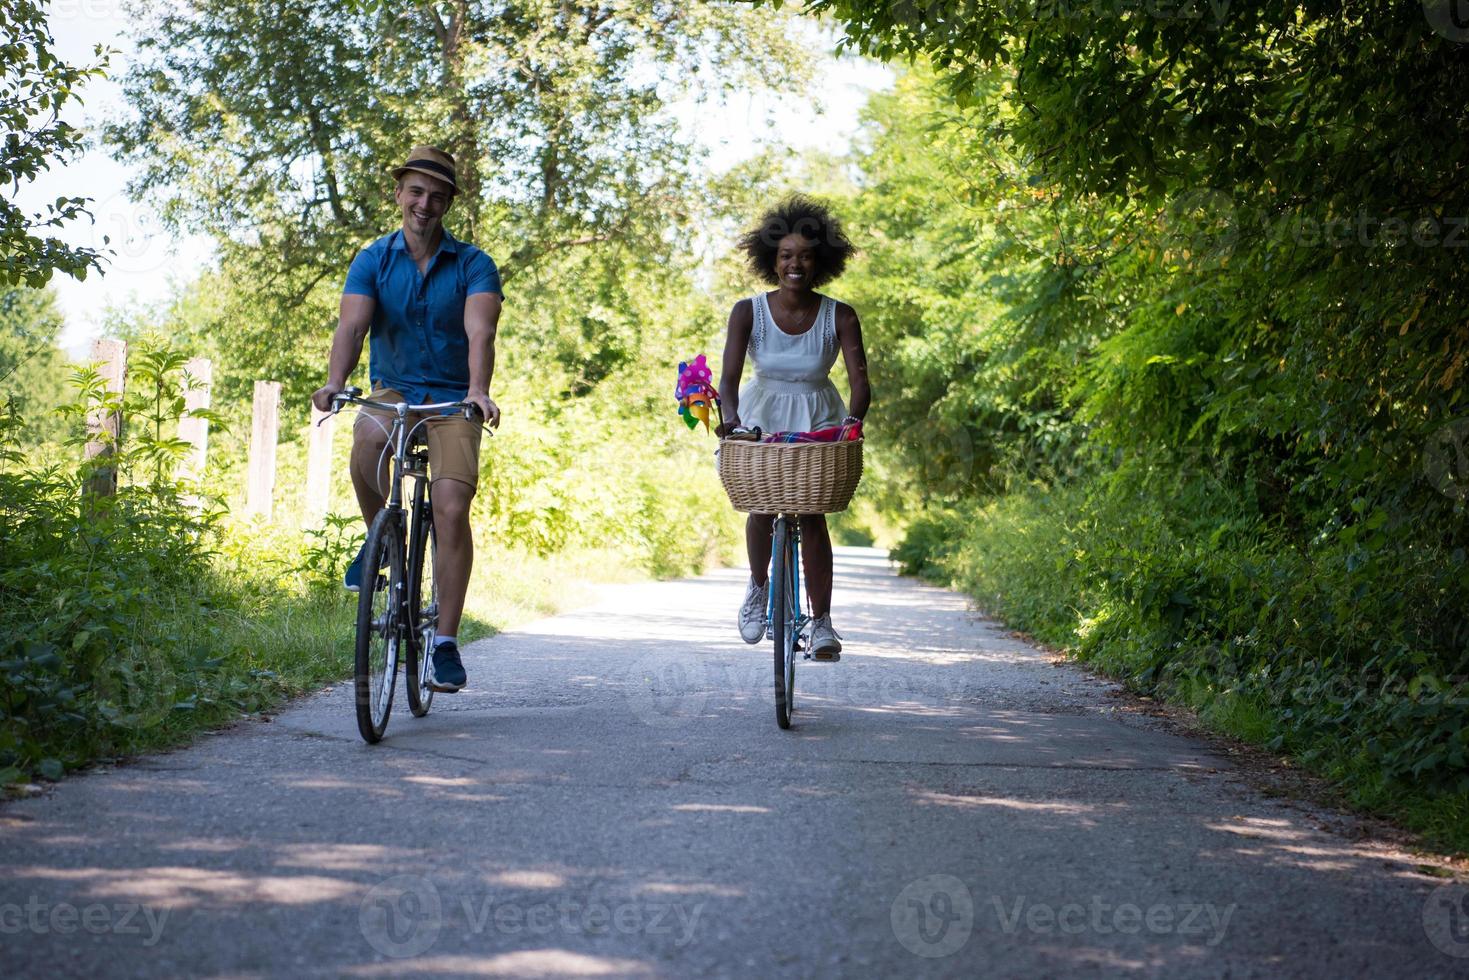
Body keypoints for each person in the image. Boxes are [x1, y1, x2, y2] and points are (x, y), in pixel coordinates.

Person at [311, 145, 502, 693]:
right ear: (398, 194)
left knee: (450, 505)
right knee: (367, 441)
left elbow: (479, 332)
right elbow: (351, 329)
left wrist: (478, 391)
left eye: (437, 195)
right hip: (393, 390)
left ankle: (444, 641)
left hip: (451, 398)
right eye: (416, 191)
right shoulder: (372, 259)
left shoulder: (473, 264)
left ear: (448, 204)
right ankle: (383, 542)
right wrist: (333, 381)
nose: (425, 203)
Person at [715, 195, 870, 660]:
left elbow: (860, 382)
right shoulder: (748, 312)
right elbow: (727, 380)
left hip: (818, 419)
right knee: (760, 508)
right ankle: (758, 588)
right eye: (785, 256)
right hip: (760, 416)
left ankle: (822, 623)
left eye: (804, 255)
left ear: (819, 261)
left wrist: (851, 424)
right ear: (772, 261)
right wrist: (731, 422)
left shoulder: (839, 315)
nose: (795, 264)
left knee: (813, 514)